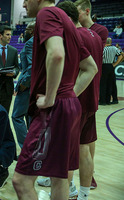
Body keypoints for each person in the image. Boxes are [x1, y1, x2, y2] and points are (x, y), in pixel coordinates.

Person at [12, 0, 97, 199]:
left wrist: (51, 98)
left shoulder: (46, 14)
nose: (23, 3)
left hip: (54, 107)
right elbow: (90, 68)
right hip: (69, 104)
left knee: (21, 181)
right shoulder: (70, 25)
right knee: (59, 178)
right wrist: (70, 94)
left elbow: (57, 55)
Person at [37, 2, 103, 200]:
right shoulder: (96, 36)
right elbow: (94, 68)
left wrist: (69, 93)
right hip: (92, 100)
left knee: (68, 152)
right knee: (85, 148)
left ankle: (70, 188)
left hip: (76, 100)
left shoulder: (73, 35)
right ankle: (83, 193)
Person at [74, 0, 109, 189]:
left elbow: (88, 61)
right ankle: (86, 179)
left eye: (77, 12)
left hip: (88, 87)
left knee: (85, 140)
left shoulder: (99, 31)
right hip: (86, 88)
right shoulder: (90, 34)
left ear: (87, 11)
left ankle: (84, 176)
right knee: (85, 139)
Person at [12, 21, 35, 149]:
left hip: (27, 86)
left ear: (31, 31)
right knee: (29, 117)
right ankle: (33, 147)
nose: (24, 31)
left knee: (16, 116)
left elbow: (32, 67)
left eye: (27, 29)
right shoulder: (41, 41)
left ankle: (26, 148)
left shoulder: (31, 42)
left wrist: (24, 83)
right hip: (35, 86)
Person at [100, 38, 123, 105]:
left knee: (103, 84)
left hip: (104, 66)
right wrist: (115, 64)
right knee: (110, 84)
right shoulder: (114, 48)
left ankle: (102, 101)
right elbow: (121, 55)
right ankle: (108, 101)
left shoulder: (103, 49)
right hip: (111, 66)